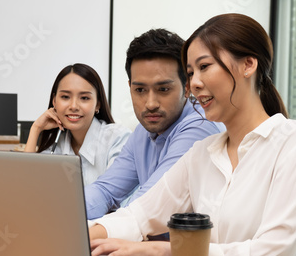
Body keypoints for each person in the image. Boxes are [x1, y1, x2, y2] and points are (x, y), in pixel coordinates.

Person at [88, 14, 296, 256]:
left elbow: (272, 255)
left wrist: (169, 253)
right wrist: (76, 239)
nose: (193, 84)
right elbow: (140, 215)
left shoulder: (295, 140)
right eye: (190, 73)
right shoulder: (202, 154)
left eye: (204, 67)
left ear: (248, 64)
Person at [85, 28, 225, 220]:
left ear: (186, 87)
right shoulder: (145, 129)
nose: (150, 104)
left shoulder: (200, 126)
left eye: (163, 89)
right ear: (130, 87)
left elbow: (148, 207)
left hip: (190, 249)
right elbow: (106, 190)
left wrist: (89, 230)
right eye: (140, 90)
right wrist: (64, 212)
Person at [24, 63, 131, 186]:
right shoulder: (56, 145)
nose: (73, 106)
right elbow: (27, 184)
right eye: (65, 97)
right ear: (54, 101)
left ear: (98, 104)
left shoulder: (117, 138)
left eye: (84, 98)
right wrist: (35, 128)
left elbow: (112, 193)